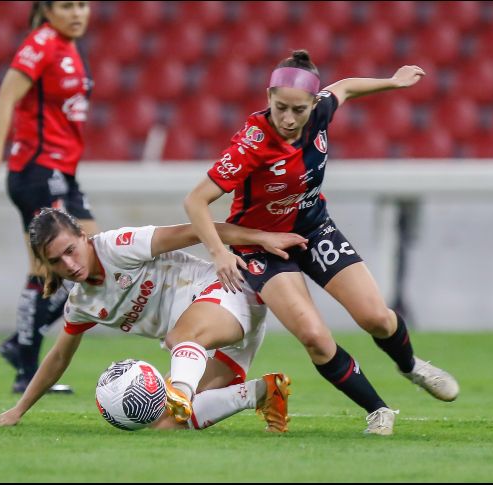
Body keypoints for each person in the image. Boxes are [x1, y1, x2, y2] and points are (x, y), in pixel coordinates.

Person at [182, 50, 460, 436]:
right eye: (280, 108)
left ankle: (412, 366)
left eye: (298, 110)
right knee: (314, 337)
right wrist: (218, 253)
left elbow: (344, 87)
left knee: (376, 318)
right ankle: (379, 410)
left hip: (314, 230)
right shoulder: (251, 145)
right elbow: (195, 200)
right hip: (263, 247)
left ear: (314, 104)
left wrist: (392, 82)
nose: (288, 119)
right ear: (268, 98)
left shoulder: (321, 111)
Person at [0, 208, 308, 431]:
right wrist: (19, 409)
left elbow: (196, 230)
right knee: (165, 424)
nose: (69, 264)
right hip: (200, 346)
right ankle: (263, 392)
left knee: (181, 338)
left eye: (71, 250)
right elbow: (58, 357)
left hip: (230, 293)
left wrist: (261, 238)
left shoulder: (118, 246)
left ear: (84, 236)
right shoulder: (82, 304)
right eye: (57, 261)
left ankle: (180, 391)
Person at [0, 1, 96, 394]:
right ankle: (26, 368)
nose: (77, 13)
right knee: (50, 270)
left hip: (62, 172)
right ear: (46, 10)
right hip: (38, 171)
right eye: (67, 6)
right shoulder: (41, 44)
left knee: (93, 263)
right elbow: (5, 99)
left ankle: (19, 345)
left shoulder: (69, 46)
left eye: (82, 4)